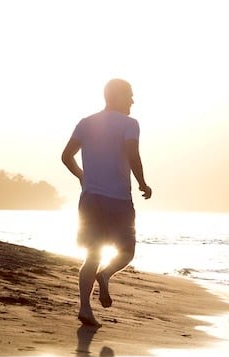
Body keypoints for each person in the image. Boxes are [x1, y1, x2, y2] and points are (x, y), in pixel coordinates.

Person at [61, 78, 152, 327]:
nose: (133, 100)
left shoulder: (86, 123)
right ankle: (106, 274)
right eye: (129, 95)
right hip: (119, 200)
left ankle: (85, 308)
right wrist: (143, 184)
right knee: (126, 251)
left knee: (92, 254)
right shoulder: (130, 124)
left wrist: (82, 177)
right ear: (116, 96)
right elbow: (133, 155)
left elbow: (66, 156)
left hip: (90, 199)